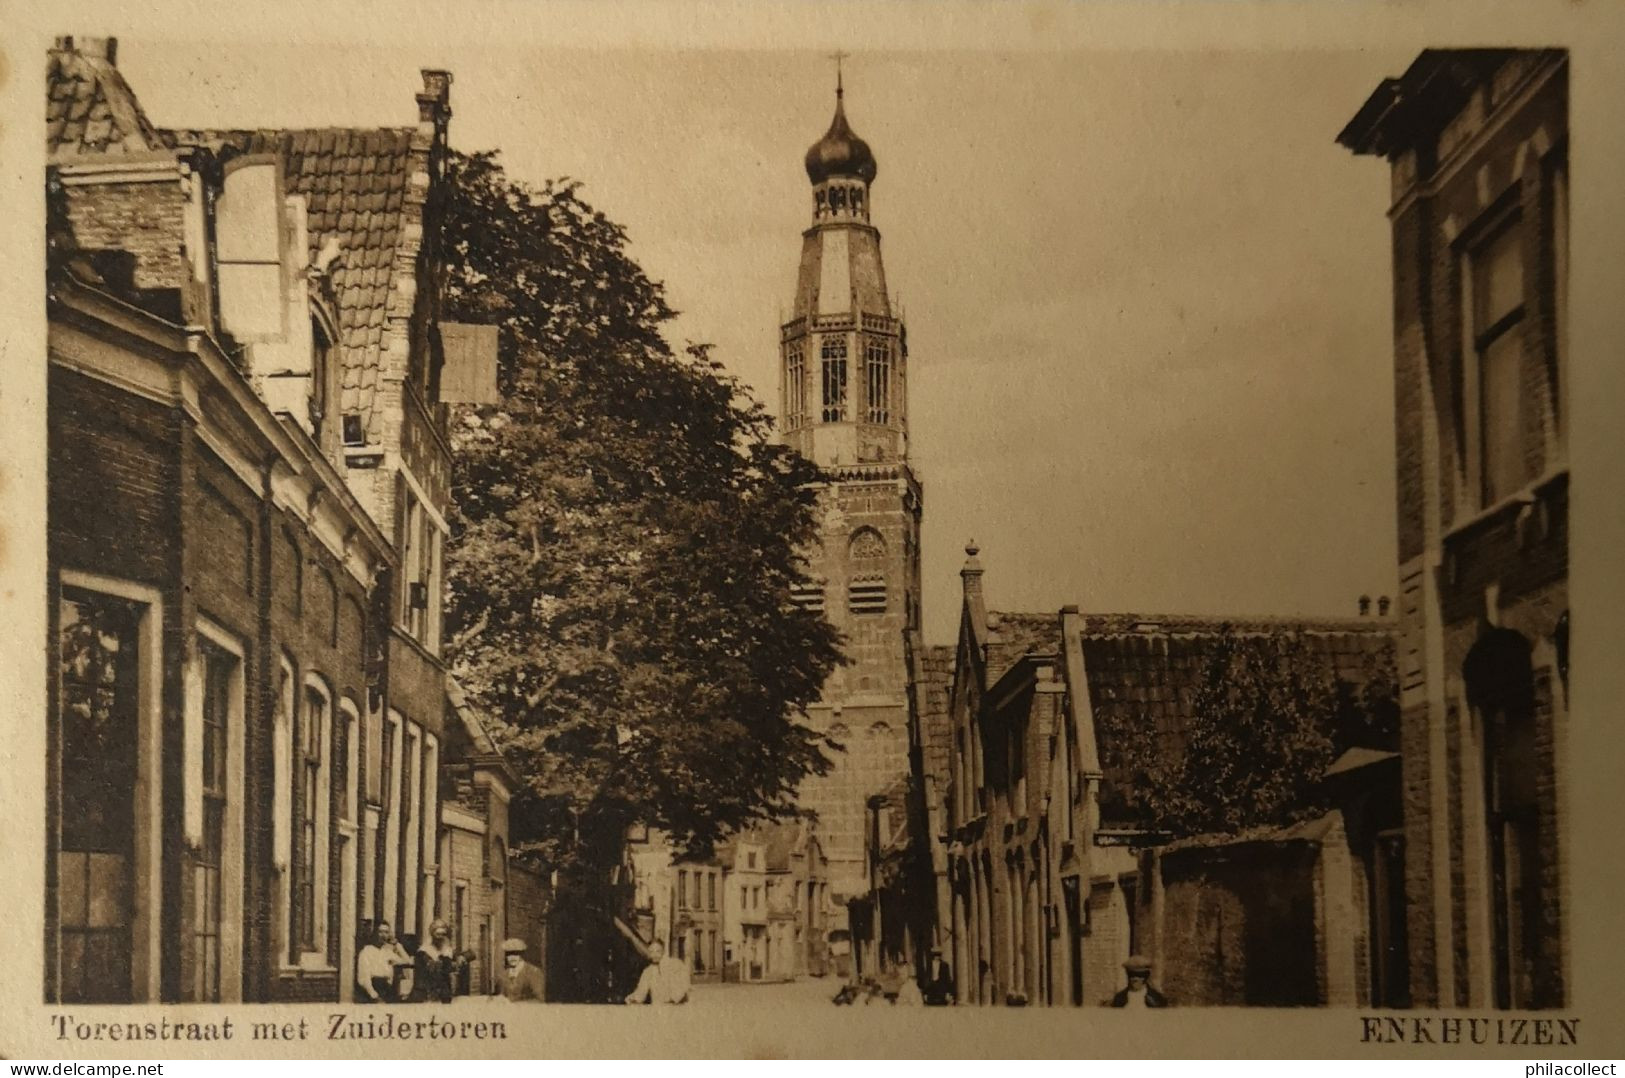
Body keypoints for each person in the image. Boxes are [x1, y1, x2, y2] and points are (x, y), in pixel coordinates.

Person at [414, 919, 470, 1003]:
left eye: (443, 934)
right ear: (432, 934)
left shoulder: (447, 950)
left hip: (444, 990)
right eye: (438, 934)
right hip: (428, 990)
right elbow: (424, 971)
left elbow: (467, 955)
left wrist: (461, 957)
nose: (440, 937)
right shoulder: (424, 951)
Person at [355, 922, 411, 1003]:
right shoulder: (366, 951)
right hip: (374, 991)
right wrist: (375, 996)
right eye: (380, 932)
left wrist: (396, 944)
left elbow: (407, 961)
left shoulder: (387, 951)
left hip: (388, 990)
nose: (383, 935)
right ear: (375, 934)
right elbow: (364, 979)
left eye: (386, 932)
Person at [623, 940, 690, 1005]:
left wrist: (672, 998)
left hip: (678, 1008)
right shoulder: (647, 972)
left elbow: (684, 986)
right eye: (651, 951)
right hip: (658, 1010)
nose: (654, 955)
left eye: (658, 951)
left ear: (663, 951)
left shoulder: (676, 964)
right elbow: (641, 993)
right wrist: (631, 998)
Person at [495, 938, 546, 1002]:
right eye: (509, 954)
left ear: (521, 955)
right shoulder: (504, 974)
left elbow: (540, 999)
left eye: (516, 953)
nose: (512, 957)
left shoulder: (533, 972)